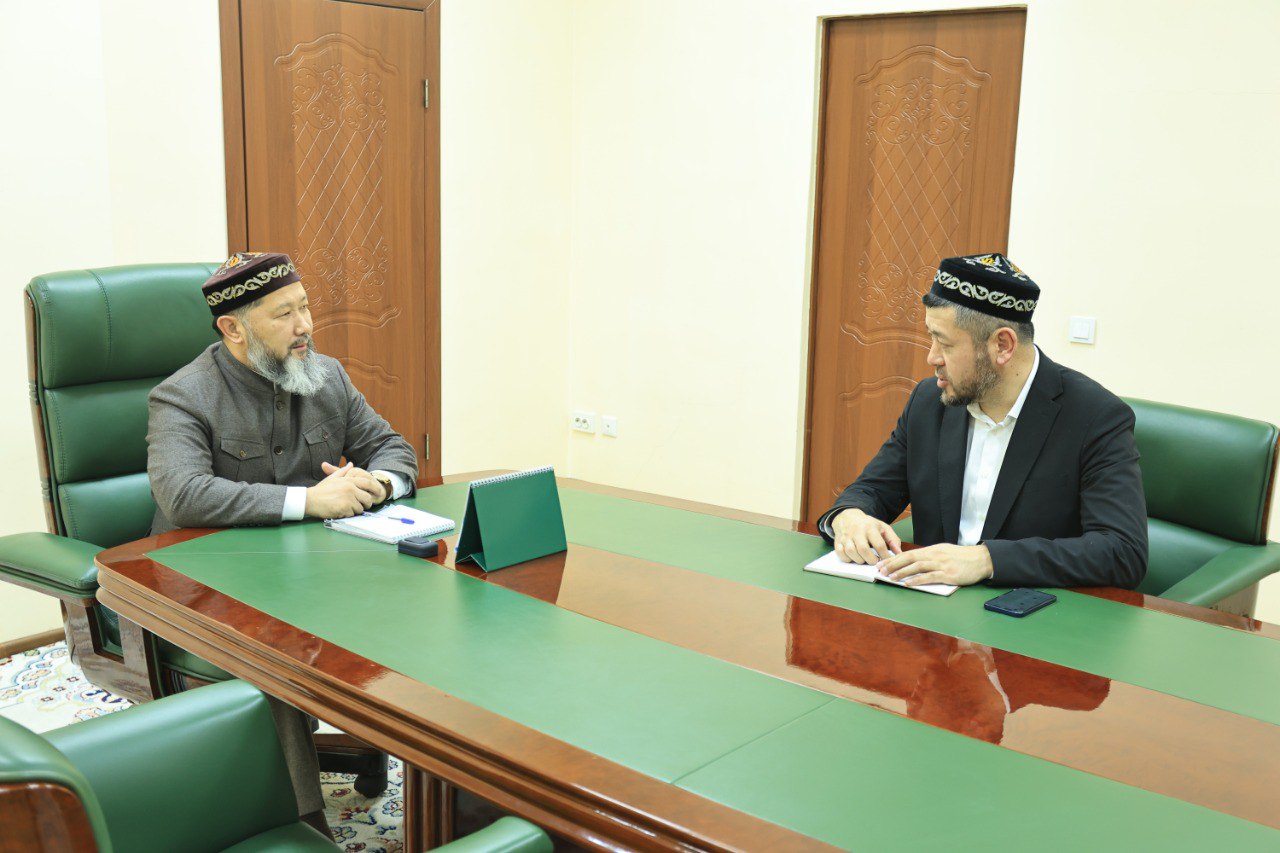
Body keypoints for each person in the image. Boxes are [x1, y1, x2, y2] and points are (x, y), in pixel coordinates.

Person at [146, 251, 419, 830]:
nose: (305, 326)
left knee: (419, 612)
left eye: (306, 308)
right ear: (233, 328)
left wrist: (377, 484)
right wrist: (309, 501)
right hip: (206, 585)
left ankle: (457, 796)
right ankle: (302, 827)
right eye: (284, 315)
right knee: (273, 656)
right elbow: (182, 494)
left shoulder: (327, 376)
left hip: (310, 574)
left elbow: (392, 448)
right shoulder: (183, 396)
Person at [819, 253, 1147, 590]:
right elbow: (874, 489)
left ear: (1002, 345)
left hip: (1026, 613)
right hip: (925, 609)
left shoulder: (1094, 417)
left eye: (945, 343)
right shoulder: (929, 402)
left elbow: (1123, 551)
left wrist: (986, 560)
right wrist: (849, 516)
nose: (931, 357)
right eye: (931, 337)